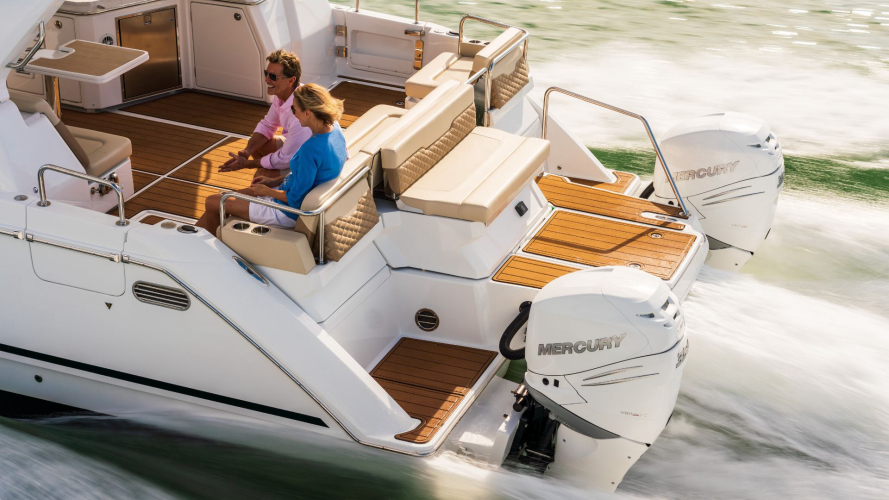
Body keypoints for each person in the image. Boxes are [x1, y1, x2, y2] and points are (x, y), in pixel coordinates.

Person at [195, 84, 347, 235]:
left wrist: (267, 191)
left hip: (285, 212)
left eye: (294, 110)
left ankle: (212, 247)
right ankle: (193, 237)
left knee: (213, 202)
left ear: (307, 113)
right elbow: (306, 177)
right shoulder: (335, 131)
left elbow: (295, 199)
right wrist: (274, 181)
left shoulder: (311, 149)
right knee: (223, 198)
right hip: (287, 193)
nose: (293, 114)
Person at [219, 50, 311, 180]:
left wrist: (248, 164)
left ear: (291, 81)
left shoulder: (301, 114)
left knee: (260, 176)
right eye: (266, 73)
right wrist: (246, 153)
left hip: (308, 161)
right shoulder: (282, 95)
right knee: (257, 146)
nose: (266, 79)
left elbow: (286, 158)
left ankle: (276, 185)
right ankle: (272, 180)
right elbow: (268, 125)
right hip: (296, 148)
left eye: (273, 77)